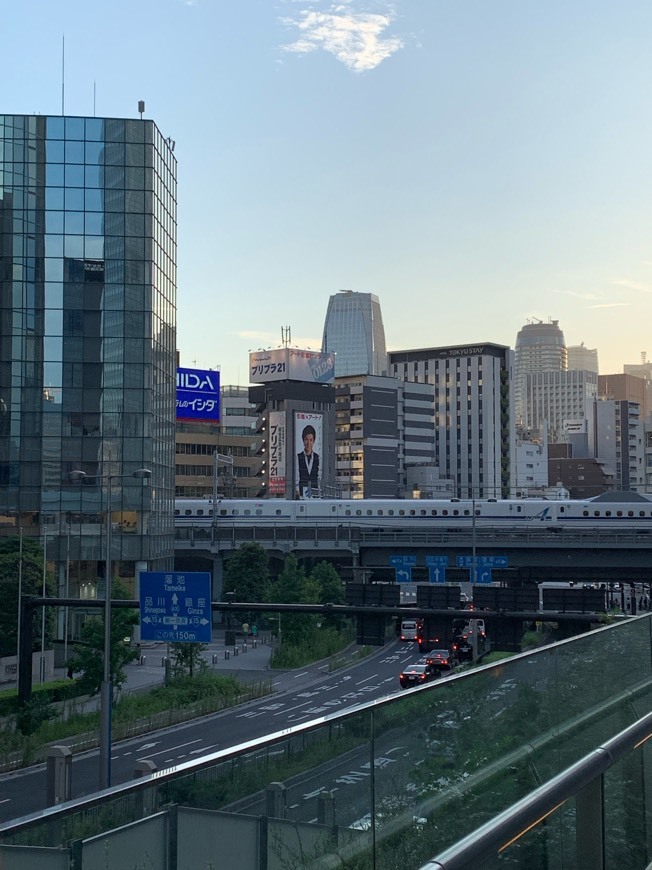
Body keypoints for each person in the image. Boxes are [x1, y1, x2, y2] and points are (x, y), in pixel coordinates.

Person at [297, 424, 320, 497]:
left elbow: (319, 476)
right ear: (303, 440)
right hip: (301, 492)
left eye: (311, 440)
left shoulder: (318, 457)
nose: (308, 443)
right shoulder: (298, 457)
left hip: (314, 491)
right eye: (306, 439)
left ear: (314, 441)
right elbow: (297, 476)